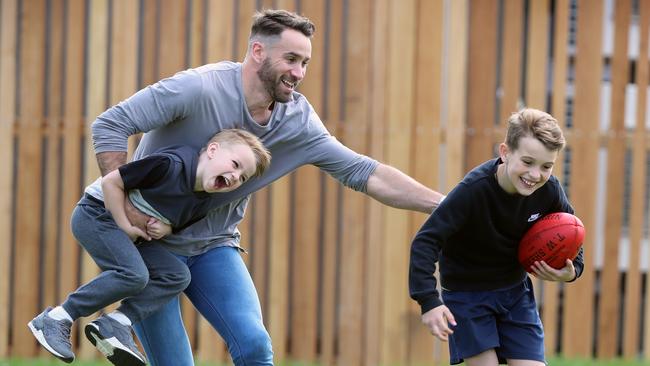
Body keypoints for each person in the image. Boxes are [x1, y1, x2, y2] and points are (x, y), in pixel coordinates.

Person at [89, 9, 446, 366]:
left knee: (255, 346)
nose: (299, 73)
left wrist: (444, 204)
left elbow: (366, 172)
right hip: (154, 246)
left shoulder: (297, 122)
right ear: (258, 52)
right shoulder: (199, 88)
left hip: (214, 246)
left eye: (305, 62)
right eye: (291, 59)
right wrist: (129, 210)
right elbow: (110, 125)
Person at [28, 129, 271, 365]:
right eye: (235, 164)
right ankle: (56, 318)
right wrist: (124, 224)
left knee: (176, 275)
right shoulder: (169, 164)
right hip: (96, 215)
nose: (236, 177)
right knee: (134, 275)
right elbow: (111, 182)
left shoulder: (201, 202)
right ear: (212, 150)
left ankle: (117, 323)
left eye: (243, 178)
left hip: (134, 234)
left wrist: (166, 229)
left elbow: (176, 224)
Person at [409, 108, 585, 365]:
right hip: (468, 296)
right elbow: (426, 240)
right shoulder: (473, 191)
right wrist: (429, 300)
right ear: (505, 152)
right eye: (527, 162)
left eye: (546, 166)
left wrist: (573, 270)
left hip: (515, 294)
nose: (535, 175)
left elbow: (573, 231)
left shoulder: (549, 191)